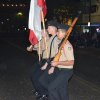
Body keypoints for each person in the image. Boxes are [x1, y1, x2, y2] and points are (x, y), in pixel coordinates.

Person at [39, 23, 74, 100]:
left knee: (51, 88)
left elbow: (71, 62)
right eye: (57, 31)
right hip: (59, 69)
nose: (57, 33)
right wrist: (53, 67)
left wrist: (57, 63)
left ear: (64, 33)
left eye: (59, 32)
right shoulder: (61, 43)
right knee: (62, 90)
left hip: (66, 71)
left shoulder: (67, 45)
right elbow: (57, 56)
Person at [30, 20, 59, 99]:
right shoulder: (49, 39)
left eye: (48, 28)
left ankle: (45, 93)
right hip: (45, 60)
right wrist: (33, 45)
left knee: (40, 79)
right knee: (35, 76)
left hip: (49, 61)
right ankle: (41, 92)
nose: (47, 30)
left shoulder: (53, 39)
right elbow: (38, 48)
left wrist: (47, 64)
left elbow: (54, 53)